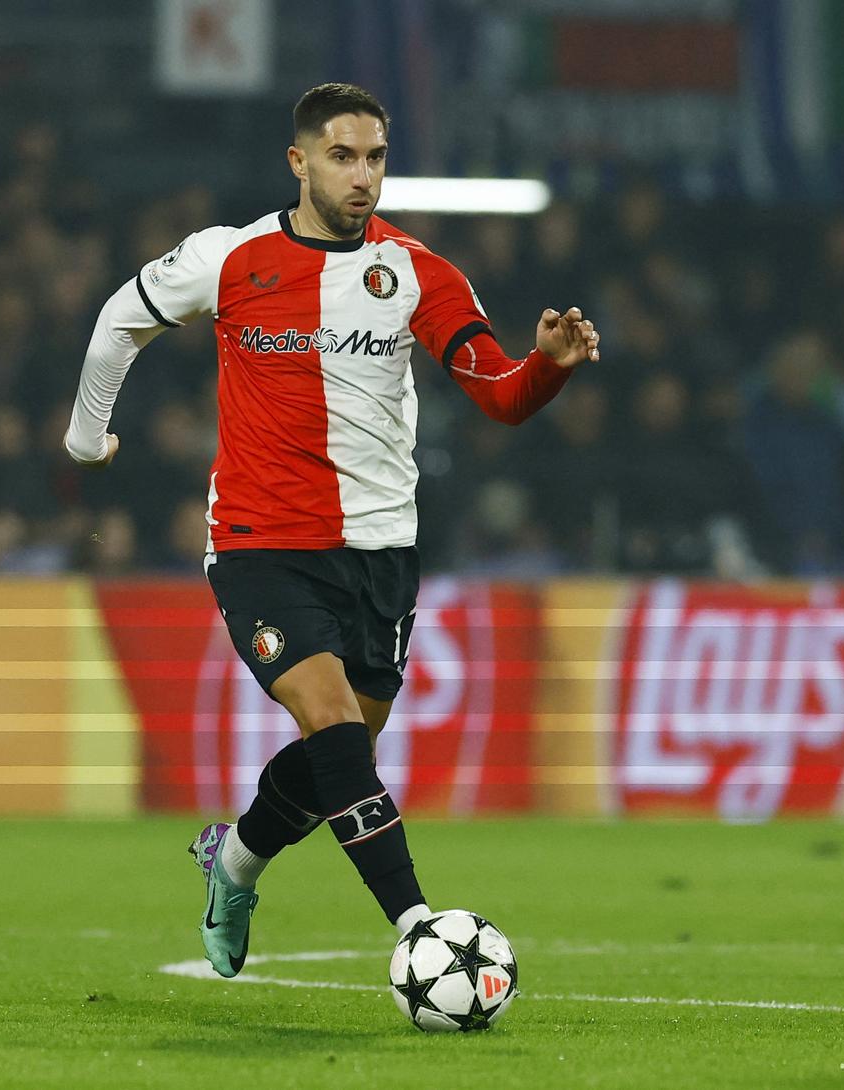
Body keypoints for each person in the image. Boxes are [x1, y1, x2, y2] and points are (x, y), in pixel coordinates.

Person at [63, 83, 599, 979]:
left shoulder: (420, 273)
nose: (363, 176)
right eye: (344, 157)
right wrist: (87, 438)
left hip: (382, 549)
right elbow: (122, 320)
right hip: (259, 544)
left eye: (376, 158)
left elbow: (499, 396)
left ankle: (234, 860)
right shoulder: (229, 259)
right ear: (299, 161)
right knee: (331, 720)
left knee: (340, 750)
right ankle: (419, 925)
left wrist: (546, 367)